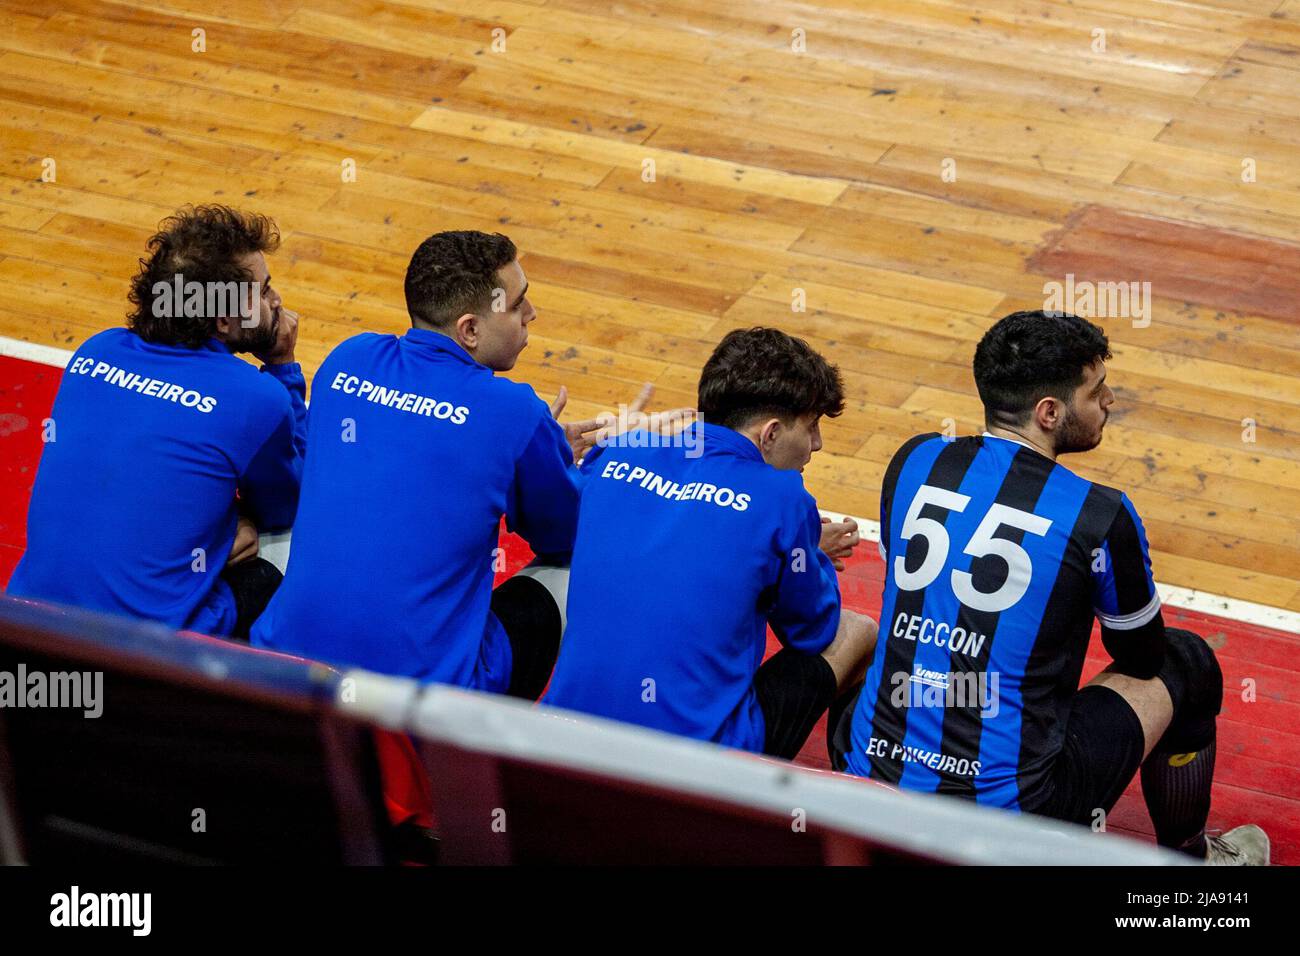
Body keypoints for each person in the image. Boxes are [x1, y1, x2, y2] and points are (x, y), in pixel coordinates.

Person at [830, 310, 1268, 865]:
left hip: (867, 772)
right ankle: (1194, 859)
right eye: (1097, 391)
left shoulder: (914, 458)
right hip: (1018, 813)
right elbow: (1140, 654)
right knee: (1188, 661)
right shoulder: (1099, 513)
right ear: (1049, 412)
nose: (1109, 401)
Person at [252, 230, 672, 698]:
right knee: (576, 568)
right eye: (518, 305)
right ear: (470, 329)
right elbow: (568, 533)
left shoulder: (348, 357)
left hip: (284, 666)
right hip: (428, 707)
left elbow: (407, 447)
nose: (531, 314)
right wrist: (613, 453)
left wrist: (533, 445)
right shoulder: (513, 412)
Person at [543, 327, 878, 759]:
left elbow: (577, 522)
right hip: (700, 774)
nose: (817, 444)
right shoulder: (784, 499)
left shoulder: (619, 454)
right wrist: (809, 556)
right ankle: (852, 802)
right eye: (811, 427)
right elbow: (812, 631)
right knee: (859, 631)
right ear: (770, 433)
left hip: (560, 747)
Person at [7, 205, 304, 640]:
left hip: (24, 629)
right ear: (223, 319)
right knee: (287, 549)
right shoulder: (255, 396)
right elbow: (287, 504)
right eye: (264, 291)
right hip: (143, 659)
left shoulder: (95, 352)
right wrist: (283, 366)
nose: (276, 302)